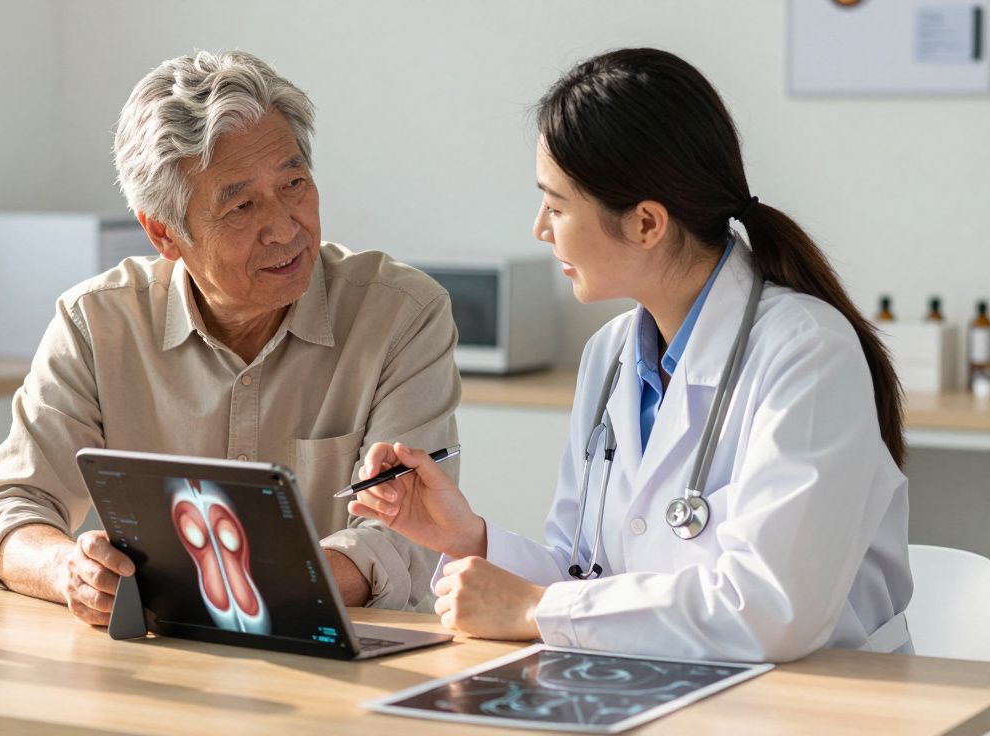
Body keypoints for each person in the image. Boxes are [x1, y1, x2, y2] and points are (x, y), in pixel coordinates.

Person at [350, 48, 911, 663]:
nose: (540, 228)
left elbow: (772, 610)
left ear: (647, 223)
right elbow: (588, 579)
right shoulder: (611, 356)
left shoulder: (806, 351)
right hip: (659, 687)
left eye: (557, 206)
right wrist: (468, 537)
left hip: (816, 705)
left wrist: (535, 610)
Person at [0, 50, 461, 625]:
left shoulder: (401, 314)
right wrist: (70, 572)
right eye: (241, 206)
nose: (284, 228)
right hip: (158, 666)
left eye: (295, 183)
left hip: (341, 657)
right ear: (163, 233)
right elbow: (8, 510)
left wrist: (249, 592)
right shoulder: (96, 323)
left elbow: (406, 538)